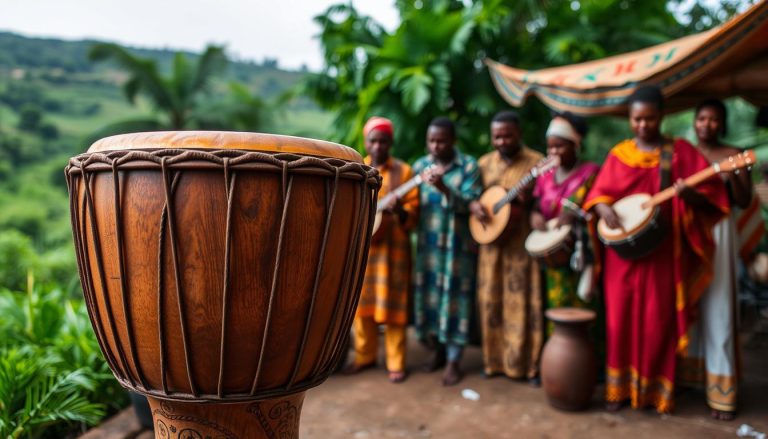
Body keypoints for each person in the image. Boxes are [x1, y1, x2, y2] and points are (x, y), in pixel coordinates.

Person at [583, 85, 729, 414]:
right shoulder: (619, 154)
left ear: (661, 117)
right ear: (630, 120)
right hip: (621, 257)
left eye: (649, 119)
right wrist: (602, 207)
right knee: (618, 323)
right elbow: (597, 195)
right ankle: (618, 390)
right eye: (636, 120)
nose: (643, 126)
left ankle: (655, 392)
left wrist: (688, 195)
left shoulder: (679, 153)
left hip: (664, 253)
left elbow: (711, 195)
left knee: (656, 322)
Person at [683, 99, 753, 420]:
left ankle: (722, 392)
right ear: (694, 122)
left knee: (720, 305)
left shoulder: (732, 153)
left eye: (713, 120)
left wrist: (737, 175)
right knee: (689, 303)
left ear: (721, 125)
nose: (707, 124)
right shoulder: (683, 153)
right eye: (702, 118)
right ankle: (688, 376)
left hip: (719, 233)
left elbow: (742, 200)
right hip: (687, 234)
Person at [469, 110, 544, 384]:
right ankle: (494, 363)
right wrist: (475, 206)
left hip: (521, 246)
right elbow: (475, 197)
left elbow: (544, 202)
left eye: (507, 135)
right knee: (491, 303)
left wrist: (527, 202)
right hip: (490, 248)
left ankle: (528, 366)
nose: (501, 141)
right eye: (497, 136)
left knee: (523, 304)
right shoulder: (483, 163)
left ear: (519, 134)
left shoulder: (536, 162)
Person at [345, 116, 419, 383]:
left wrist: (398, 209)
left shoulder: (404, 172)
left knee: (394, 307)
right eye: (373, 141)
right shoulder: (356, 168)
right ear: (366, 142)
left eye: (383, 141)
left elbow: (413, 215)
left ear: (391, 143)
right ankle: (364, 356)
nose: (378, 146)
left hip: (394, 251)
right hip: (364, 250)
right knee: (361, 305)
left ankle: (396, 362)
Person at [413, 116, 483, 386]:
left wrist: (443, 186)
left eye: (441, 140)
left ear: (453, 140)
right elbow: (413, 204)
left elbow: (471, 202)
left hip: (457, 249)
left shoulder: (469, 166)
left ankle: (454, 360)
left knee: (456, 301)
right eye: (432, 140)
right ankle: (437, 352)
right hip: (429, 250)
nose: (436, 145)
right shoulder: (420, 166)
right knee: (431, 299)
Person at [530, 113, 601, 335]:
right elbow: (536, 203)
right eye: (550, 147)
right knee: (556, 306)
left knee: (584, 306)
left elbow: (598, 203)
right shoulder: (545, 175)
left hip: (581, 251)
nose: (553, 152)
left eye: (559, 146)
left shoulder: (590, 173)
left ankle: (589, 361)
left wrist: (575, 215)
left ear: (575, 145)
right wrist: (535, 216)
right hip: (553, 254)